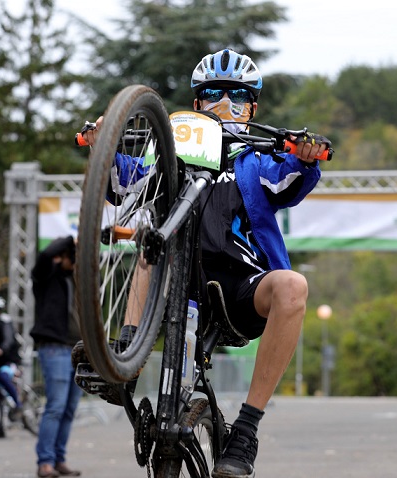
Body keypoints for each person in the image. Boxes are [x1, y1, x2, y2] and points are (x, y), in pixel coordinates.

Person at [79, 48, 331, 478]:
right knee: (151, 243)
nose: (224, 107)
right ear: (196, 105)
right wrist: (104, 141)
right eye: (213, 95)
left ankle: (246, 430)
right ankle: (124, 359)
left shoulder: (257, 163)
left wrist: (304, 157)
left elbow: (289, 178)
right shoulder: (168, 157)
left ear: (253, 109)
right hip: (172, 280)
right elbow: (121, 181)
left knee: (294, 287)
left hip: (238, 290)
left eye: (238, 98)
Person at [30, 235, 83, 478]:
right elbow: (44, 254)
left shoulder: (79, 280)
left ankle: (59, 459)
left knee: (69, 408)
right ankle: (46, 462)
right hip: (55, 347)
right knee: (56, 406)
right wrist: (69, 241)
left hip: (78, 350)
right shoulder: (46, 276)